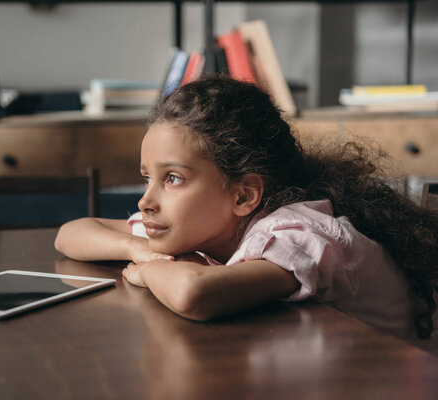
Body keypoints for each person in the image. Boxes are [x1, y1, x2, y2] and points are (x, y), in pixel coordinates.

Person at [55, 75, 438, 346]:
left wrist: (151, 269)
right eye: (146, 178)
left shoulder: (297, 234)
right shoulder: (204, 224)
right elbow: (71, 232)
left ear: (243, 196)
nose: (145, 201)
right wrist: (138, 249)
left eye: (171, 178)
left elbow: (193, 293)